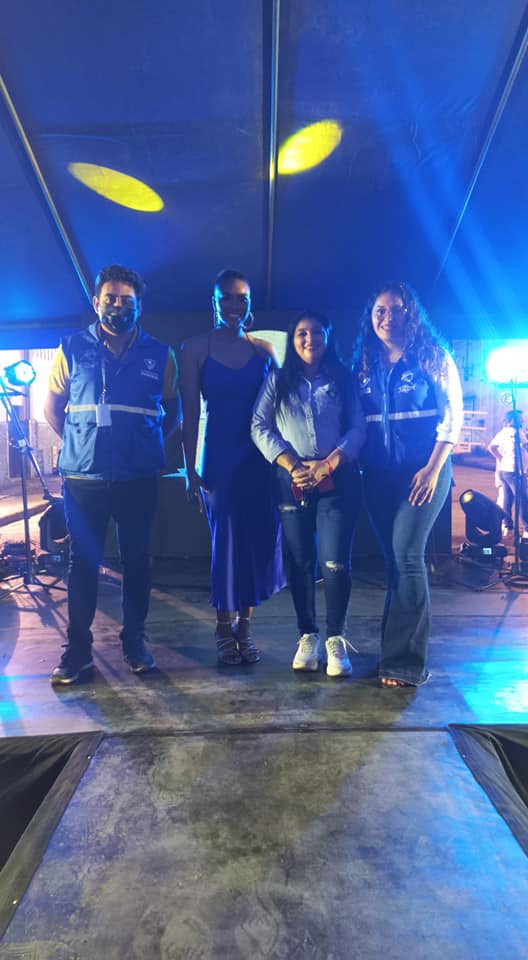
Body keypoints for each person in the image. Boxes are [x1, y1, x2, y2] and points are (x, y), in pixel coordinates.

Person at [44, 264, 180, 684]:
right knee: (82, 563)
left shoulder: (160, 354)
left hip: (137, 478)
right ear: (96, 302)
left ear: (139, 305)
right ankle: (78, 651)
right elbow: (52, 408)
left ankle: (134, 641)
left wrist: (145, 443)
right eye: (111, 299)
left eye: (127, 300)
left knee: (137, 561)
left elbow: (172, 410)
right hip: (84, 479)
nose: (118, 306)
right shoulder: (71, 348)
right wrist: (81, 443)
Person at [353, 281, 463, 688]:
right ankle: (392, 653)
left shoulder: (432, 357)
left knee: (408, 555)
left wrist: (433, 469)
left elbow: (452, 417)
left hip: (422, 472)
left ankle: (407, 663)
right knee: (395, 561)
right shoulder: (365, 362)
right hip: (378, 476)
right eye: (379, 310)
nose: (387, 317)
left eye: (396, 309)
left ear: (410, 314)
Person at [179, 268, 284, 664]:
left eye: (242, 298)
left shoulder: (265, 351)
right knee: (225, 544)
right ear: (214, 301)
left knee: (255, 541)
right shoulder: (194, 348)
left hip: (258, 459)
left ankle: (245, 628)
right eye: (226, 297)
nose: (234, 305)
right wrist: (189, 470)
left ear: (250, 302)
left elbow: (279, 412)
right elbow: (190, 415)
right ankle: (223, 628)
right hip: (219, 459)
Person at [251, 311, 365, 677]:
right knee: (300, 562)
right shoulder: (277, 380)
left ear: (328, 337)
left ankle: (335, 639)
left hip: (336, 481)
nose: (309, 339)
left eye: (317, 332)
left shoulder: (343, 379)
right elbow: (259, 425)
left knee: (334, 562)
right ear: (292, 339)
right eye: (302, 333)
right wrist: (290, 463)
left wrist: (329, 464)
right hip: (292, 481)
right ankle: (308, 635)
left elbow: (358, 428)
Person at [488, 410, 528, 537]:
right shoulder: (517, 433)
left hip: (505, 470)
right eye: (520, 418)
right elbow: (526, 447)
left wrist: (501, 458)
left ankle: (507, 526)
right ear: (514, 419)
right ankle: (526, 528)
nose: (522, 420)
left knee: (507, 498)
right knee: (522, 499)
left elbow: (491, 447)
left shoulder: (504, 432)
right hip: (514, 471)